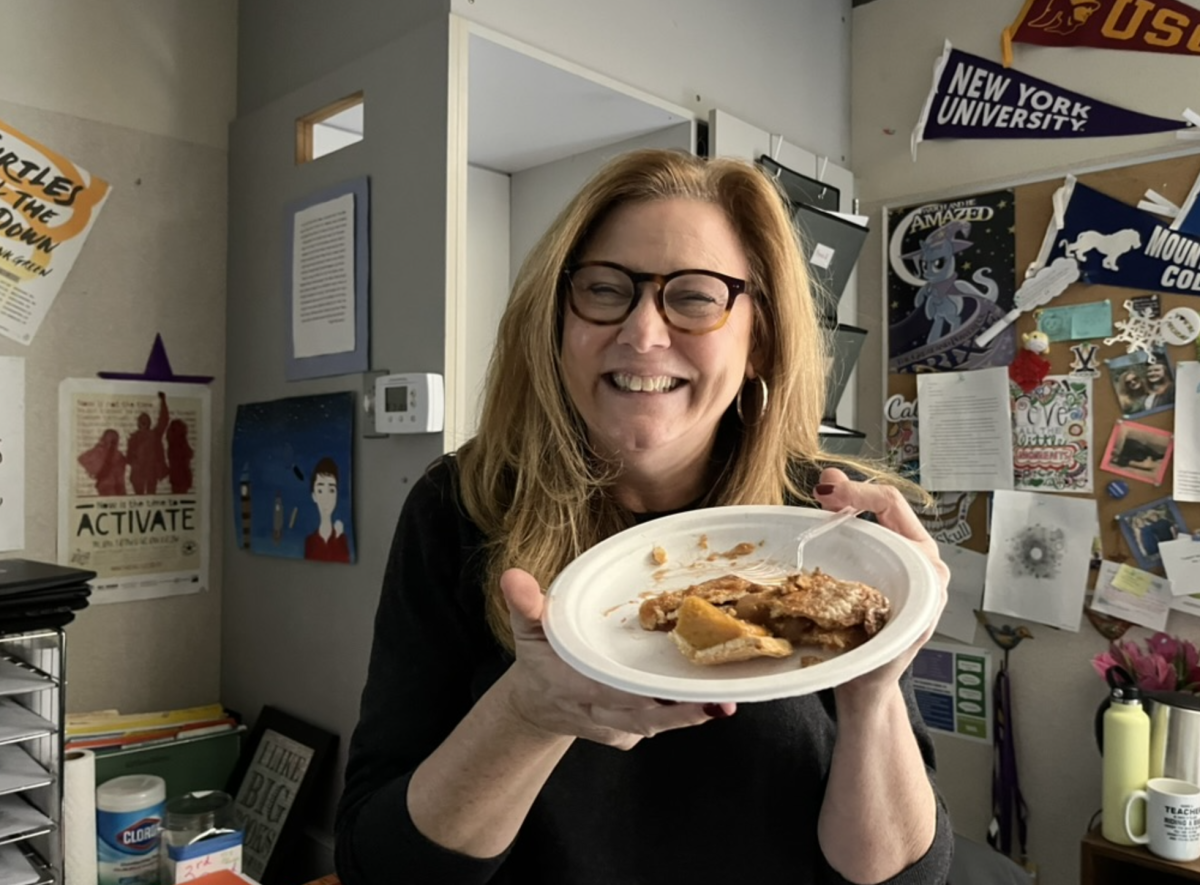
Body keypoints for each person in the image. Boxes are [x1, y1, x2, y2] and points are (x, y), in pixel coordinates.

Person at [335, 149, 953, 885]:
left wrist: (873, 689)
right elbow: (382, 867)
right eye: (604, 289)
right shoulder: (460, 505)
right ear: (557, 320)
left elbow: (902, 878)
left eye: (694, 297)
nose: (644, 333)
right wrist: (530, 711)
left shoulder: (826, 520)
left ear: (758, 339)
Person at [304, 456, 350, 563]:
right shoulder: (310, 542)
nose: (326, 498)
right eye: (320, 490)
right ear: (314, 496)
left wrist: (338, 539)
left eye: (331, 490)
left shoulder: (342, 539)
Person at [127, 391, 169, 494]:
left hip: (151, 472)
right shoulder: (134, 438)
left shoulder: (155, 435)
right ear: (138, 423)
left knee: (151, 497)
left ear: (149, 423)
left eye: (145, 420)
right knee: (139, 498)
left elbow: (164, 419)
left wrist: (163, 401)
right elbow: (129, 458)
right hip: (138, 474)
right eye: (141, 420)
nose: (143, 422)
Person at [77, 428, 127, 496]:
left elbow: (82, 458)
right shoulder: (119, 455)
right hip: (118, 487)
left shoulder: (99, 451)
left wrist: (93, 470)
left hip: (105, 485)